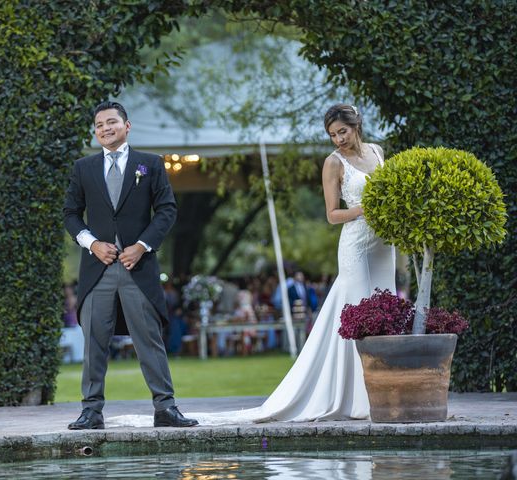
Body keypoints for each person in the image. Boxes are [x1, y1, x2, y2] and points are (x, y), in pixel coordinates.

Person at [106, 103, 395, 427]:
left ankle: (387, 387)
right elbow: (332, 215)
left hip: (385, 244)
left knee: (387, 308)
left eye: (342, 131)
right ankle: (360, 396)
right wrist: (365, 208)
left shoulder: (377, 152)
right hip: (355, 243)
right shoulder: (332, 163)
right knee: (358, 312)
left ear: (357, 126)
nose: (338, 139)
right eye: (332, 135)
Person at [63, 101, 198, 429]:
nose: (105, 128)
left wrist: (141, 246)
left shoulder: (149, 164)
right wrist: (92, 244)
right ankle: (91, 411)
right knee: (94, 340)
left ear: (127, 126)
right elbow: (70, 214)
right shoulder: (83, 168)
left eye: (111, 122)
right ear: (95, 132)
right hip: (98, 271)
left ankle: (165, 408)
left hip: (139, 269)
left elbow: (166, 209)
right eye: (99, 125)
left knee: (149, 339)